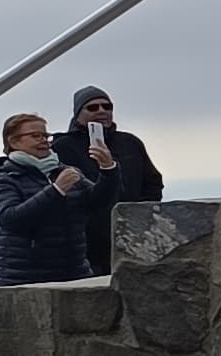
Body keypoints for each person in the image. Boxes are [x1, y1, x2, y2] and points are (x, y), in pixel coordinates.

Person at [48, 84, 164, 275]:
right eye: (92, 107)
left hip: (131, 232)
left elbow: (152, 181)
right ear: (78, 113)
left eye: (107, 106)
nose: (101, 111)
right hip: (87, 239)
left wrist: (141, 211)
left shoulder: (130, 143)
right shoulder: (63, 147)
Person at [0, 112, 94, 288]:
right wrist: (55, 190)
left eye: (46, 135)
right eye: (35, 136)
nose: (44, 140)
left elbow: (98, 201)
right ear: (13, 142)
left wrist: (109, 171)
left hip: (74, 273)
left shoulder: (65, 171)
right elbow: (10, 218)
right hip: (24, 279)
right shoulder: (5, 176)